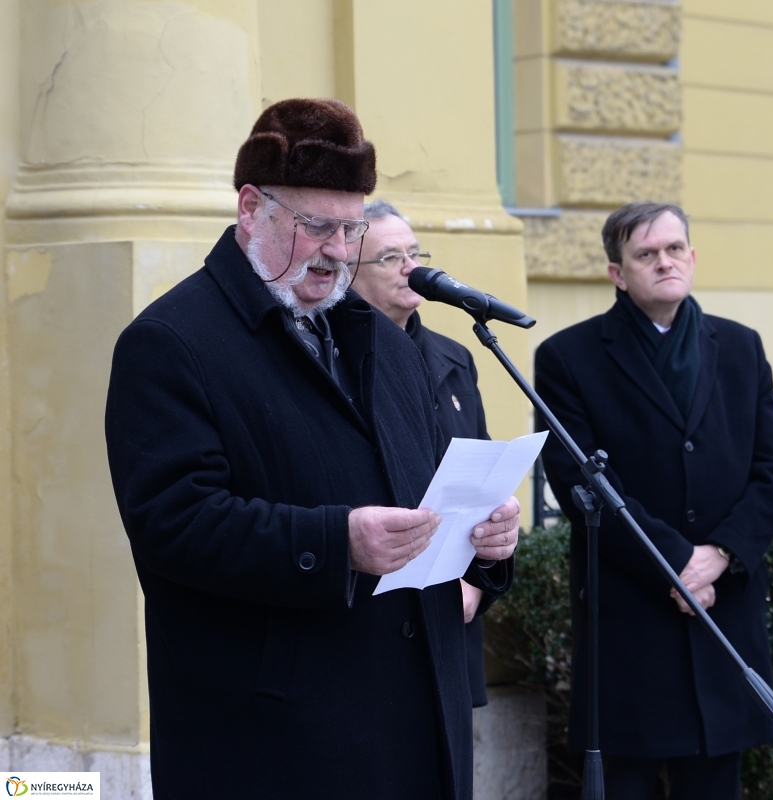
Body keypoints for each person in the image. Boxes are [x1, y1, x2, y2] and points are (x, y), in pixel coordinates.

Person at [104, 98, 520, 799]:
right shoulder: (171, 343)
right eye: (316, 226)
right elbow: (174, 523)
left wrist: (485, 538)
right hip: (278, 742)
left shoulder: (386, 342)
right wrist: (338, 543)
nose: (337, 249)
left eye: (352, 228)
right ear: (250, 209)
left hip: (418, 723)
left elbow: (424, 493)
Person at [534, 202, 773, 799]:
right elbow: (581, 486)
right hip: (633, 619)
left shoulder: (741, 346)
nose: (665, 262)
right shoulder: (567, 358)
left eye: (675, 249)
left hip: (722, 611)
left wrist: (720, 554)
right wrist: (677, 561)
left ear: (693, 258)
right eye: (646, 254)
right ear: (617, 273)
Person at [351, 198, 493, 708]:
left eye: (415, 253)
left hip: (453, 610)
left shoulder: (455, 359)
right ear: (348, 270)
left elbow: (479, 484)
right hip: (375, 622)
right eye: (391, 258)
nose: (413, 268)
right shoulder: (336, 362)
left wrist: (477, 581)